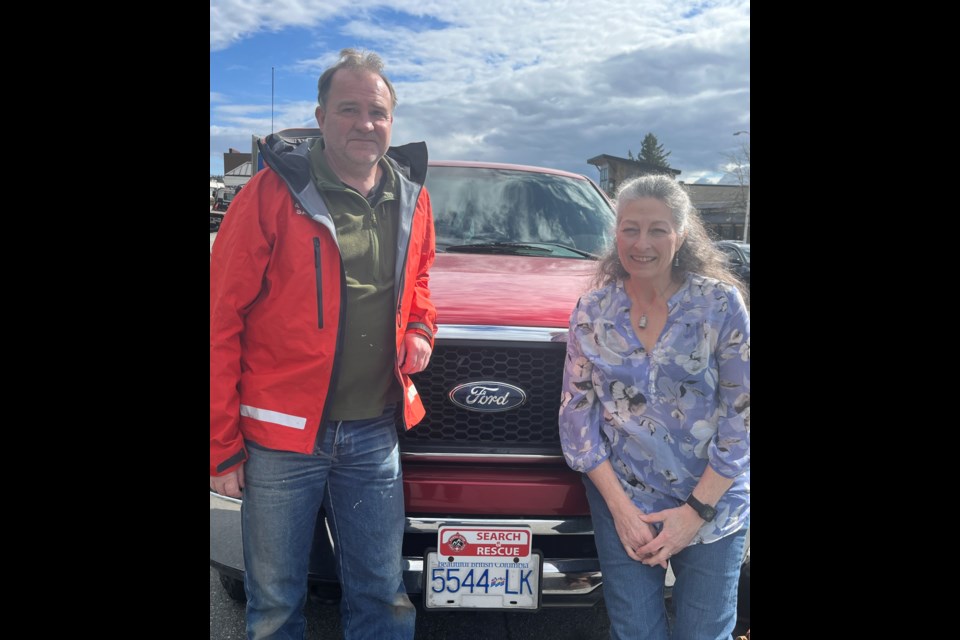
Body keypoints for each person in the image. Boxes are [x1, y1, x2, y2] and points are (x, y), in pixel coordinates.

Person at [210, 48, 437, 640]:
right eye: (349, 109)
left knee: (382, 597)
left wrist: (419, 326)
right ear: (319, 115)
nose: (365, 123)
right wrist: (221, 446)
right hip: (281, 443)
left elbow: (419, 281)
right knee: (277, 606)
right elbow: (219, 323)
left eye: (378, 111)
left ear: (393, 120)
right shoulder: (266, 195)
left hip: (373, 435)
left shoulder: (413, 197)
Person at [558, 174, 749, 640]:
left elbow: (742, 415)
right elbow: (577, 417)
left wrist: (694, 512)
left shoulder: (719, 304)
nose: (641, 243)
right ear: (615, 233)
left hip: (712, 501)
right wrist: (621, 510)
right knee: (635, 633)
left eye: (657, 229)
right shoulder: (592, 309)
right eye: (630, 228)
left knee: (704, 634)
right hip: (626, 499)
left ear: (681, 236)